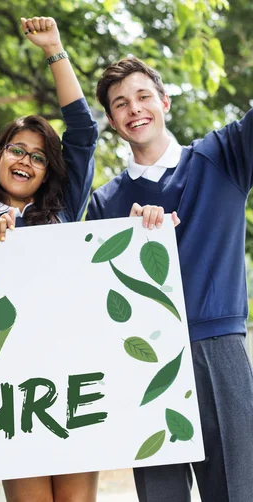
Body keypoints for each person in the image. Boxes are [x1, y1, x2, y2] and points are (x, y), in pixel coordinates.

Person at [86, 55, 253, 502]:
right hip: (145, 359)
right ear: (111, 121)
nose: (134, 108)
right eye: (120, 104)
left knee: (238, 491)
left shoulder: (222, 156)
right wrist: (128, 236)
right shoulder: (106, 204)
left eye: (143, 96)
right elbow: (97, 291)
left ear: (165, 102)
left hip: (219, 350)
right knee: (160, 496)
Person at [0, 16, 98, 502]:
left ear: (46, 173)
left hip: (72, 376)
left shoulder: (64, 215)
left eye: (37, 156)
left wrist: (55, 50)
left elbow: (82, 131)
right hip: (13, 392)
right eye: (17, 149)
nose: (25, 160)